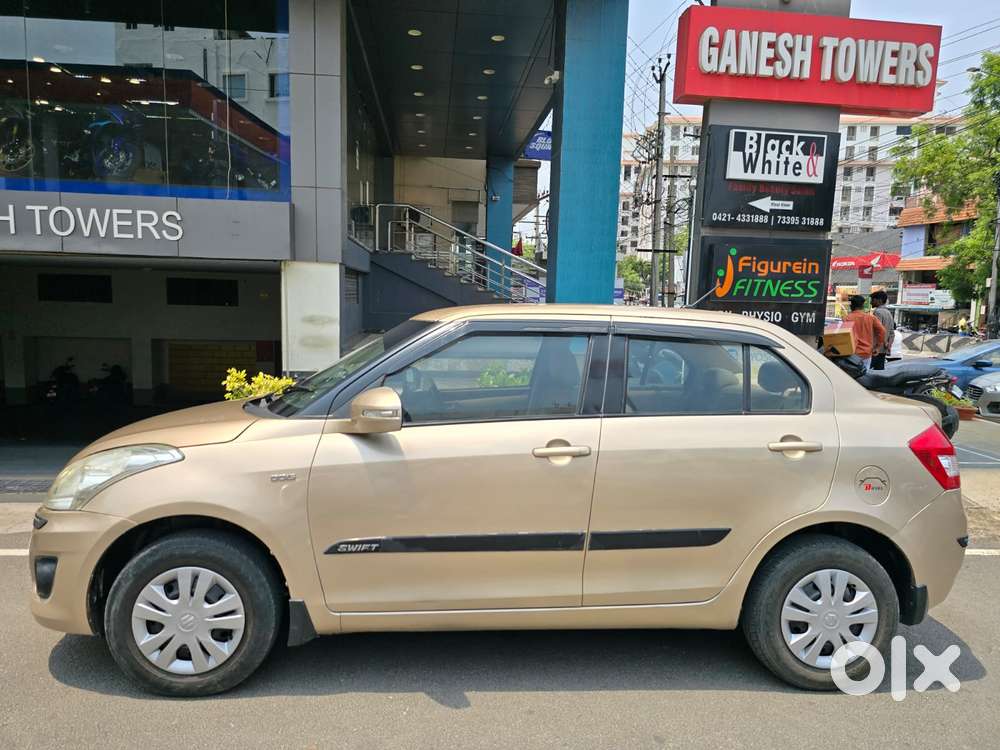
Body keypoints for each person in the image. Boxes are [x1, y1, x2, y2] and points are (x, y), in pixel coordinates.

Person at [845, 295, 885, 371]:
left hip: (851, 355)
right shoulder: (871, 318)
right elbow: (882, 331)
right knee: (865, 375)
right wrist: (878, 347)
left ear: (851, 306)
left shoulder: (847, 318)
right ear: (863, 306)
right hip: (866, 353)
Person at [870, 290, 895, 370]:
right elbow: (892, 333)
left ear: (879, 300)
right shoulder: (888, 313)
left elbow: (879, 330)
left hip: (875, 349)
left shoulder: (877, 312)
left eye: (873, 300)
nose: (871, 302)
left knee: (866, 372)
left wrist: (883, 343)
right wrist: (888, 345)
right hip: (883, 350)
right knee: (879, 372)